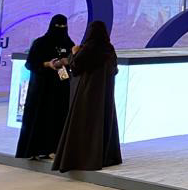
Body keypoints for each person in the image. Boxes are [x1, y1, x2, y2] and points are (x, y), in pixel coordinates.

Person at [52, 21, 122, 173]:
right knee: (102, 123)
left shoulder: (88, 48)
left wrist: (74, 52)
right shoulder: (109, 49)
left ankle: (83, 157)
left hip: (87, 94)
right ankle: (104, 156)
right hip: (104, 95)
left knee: (84, 123)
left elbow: (76, 66)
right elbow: (115, 70)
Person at [15, 15, 75, 160]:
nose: (61, 29)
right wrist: (47, 64)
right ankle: (34, 150)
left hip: (61, 88)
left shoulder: (69, 44)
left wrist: (67, 61)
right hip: (41, 88)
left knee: (57, 118)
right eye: (58, 26)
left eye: (63, 26)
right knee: (39, 117)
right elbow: (30, 63)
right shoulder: (40, 43)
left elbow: (74, 63)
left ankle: (53, 149)